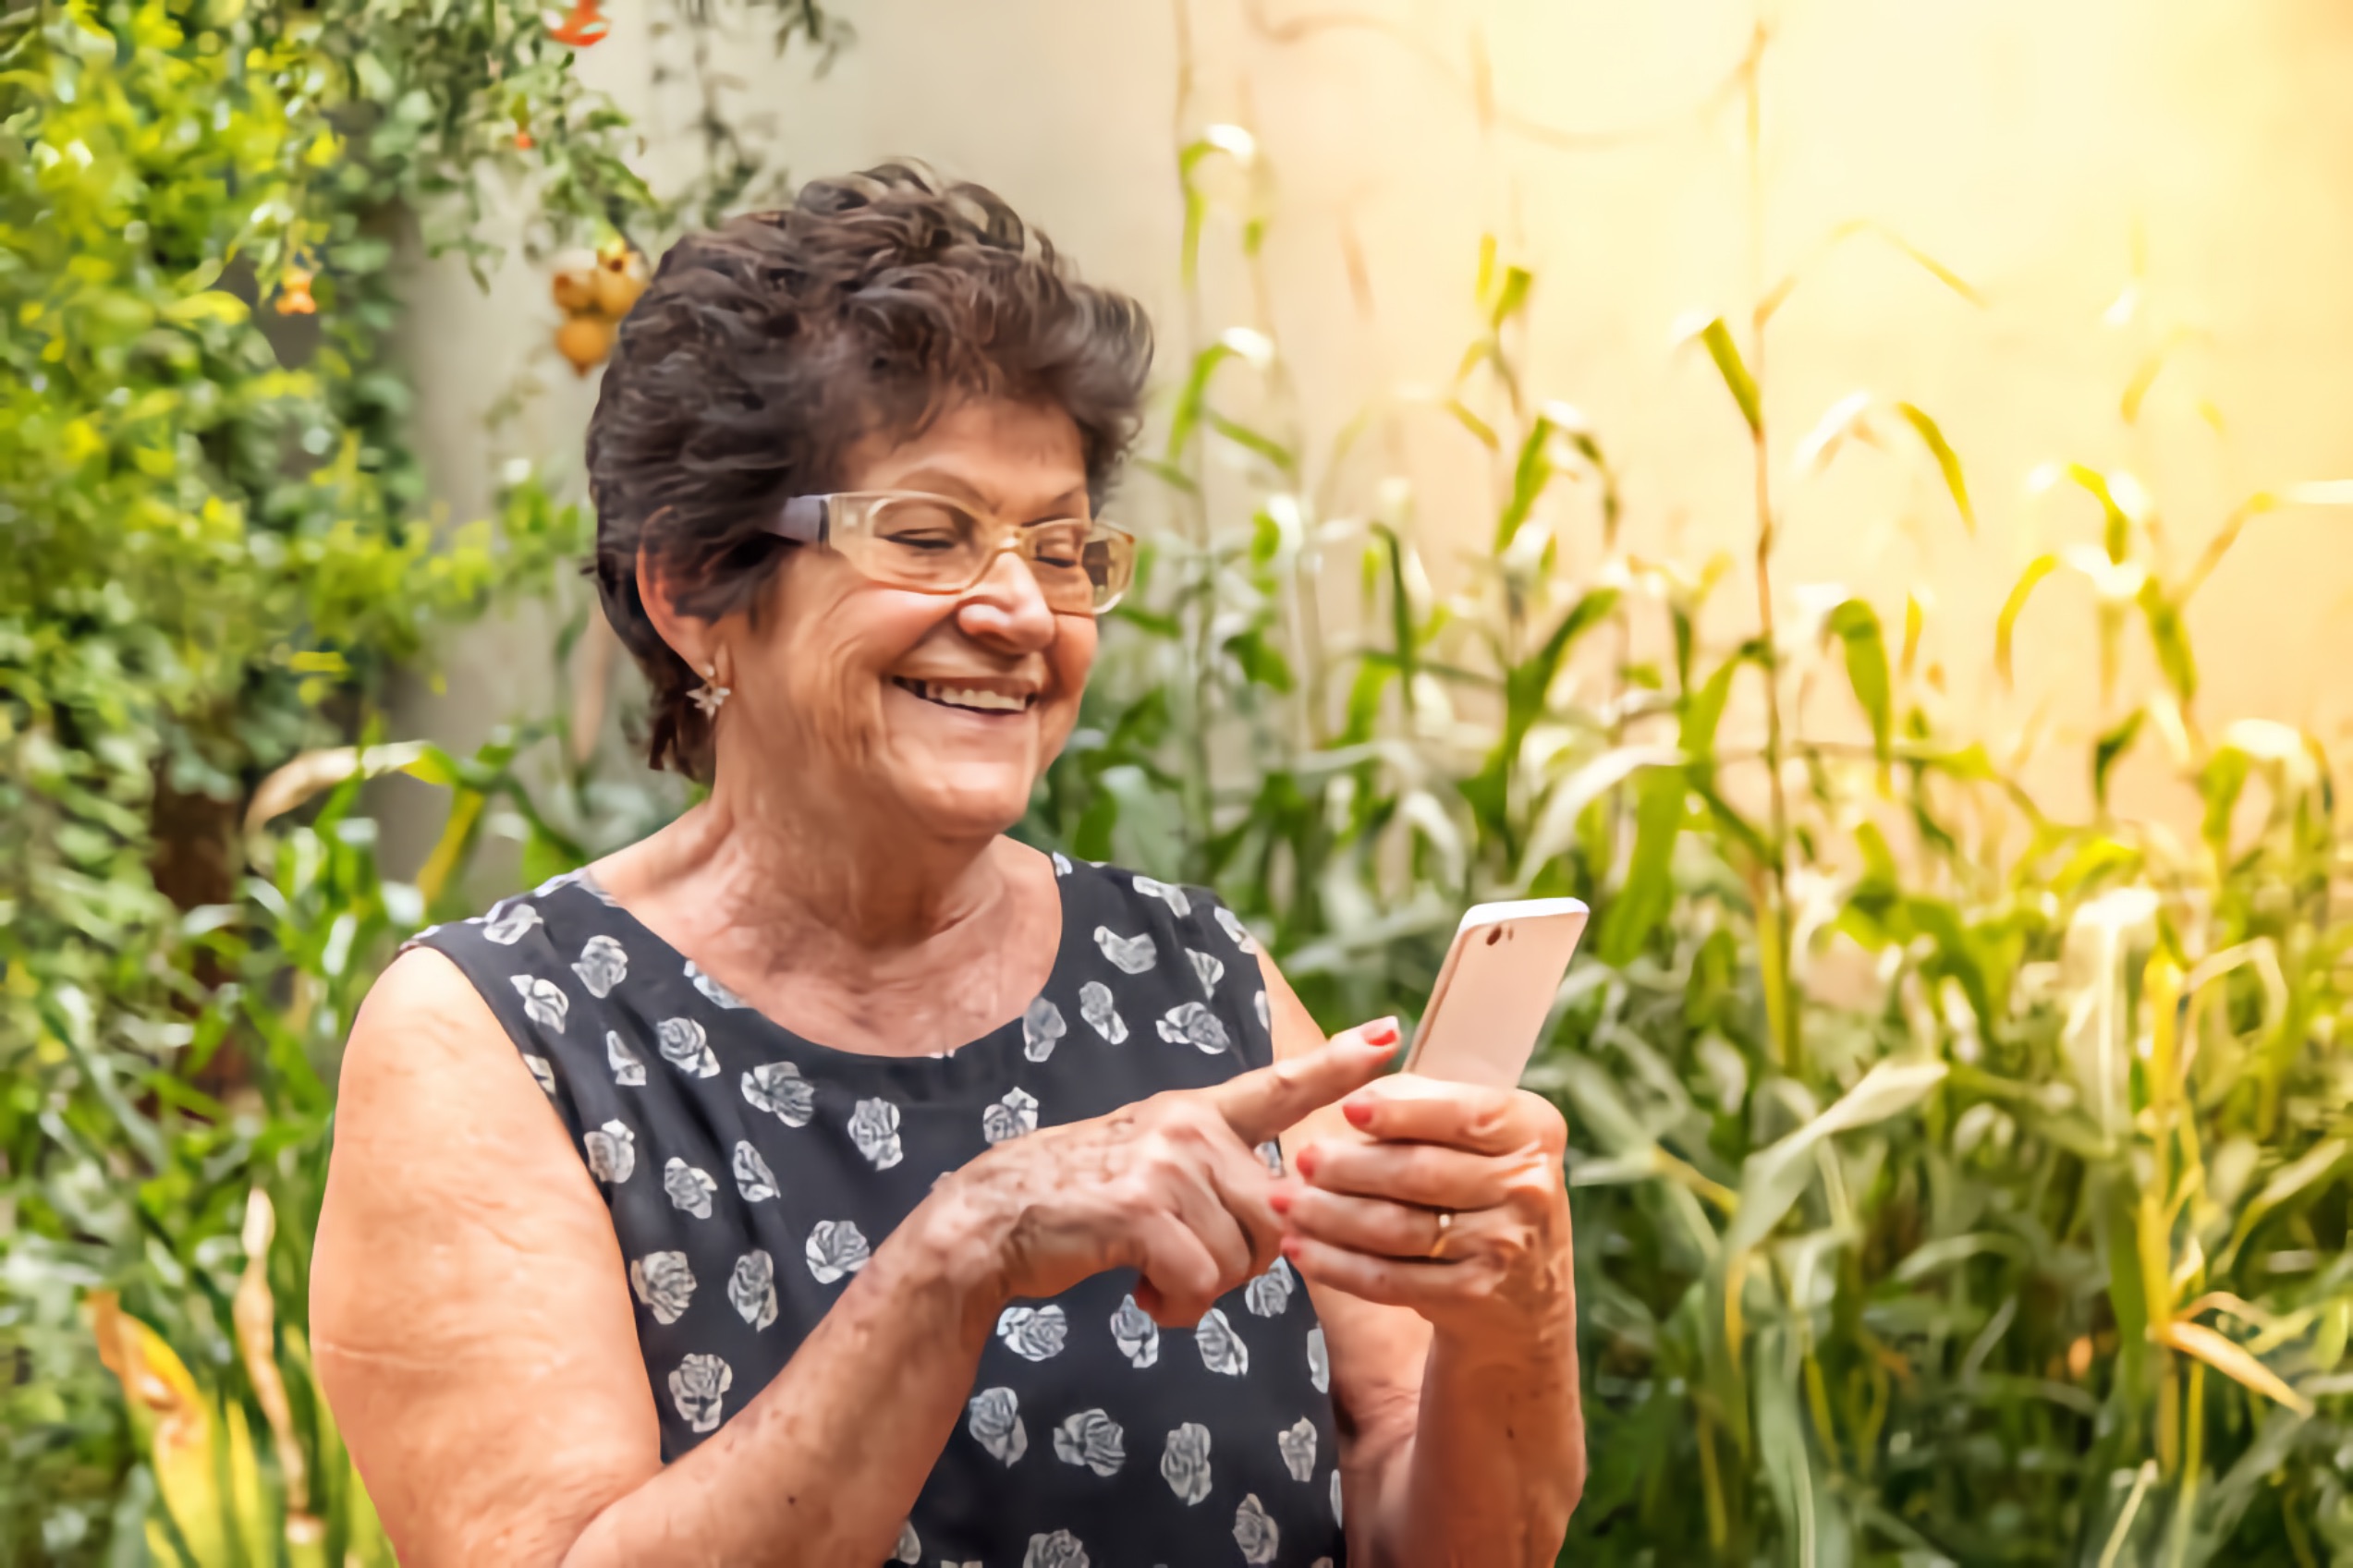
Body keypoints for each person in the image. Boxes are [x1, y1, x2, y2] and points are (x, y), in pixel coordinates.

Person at [311, 164, 1582, 1568]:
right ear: (690, 592)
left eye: (1059, 546)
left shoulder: (1188, 972)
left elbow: (1441, 1535)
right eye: (925, 536)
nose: (1022, 610)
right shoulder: (506, 1035)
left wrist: (1508, 1319)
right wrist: (964, 1245)